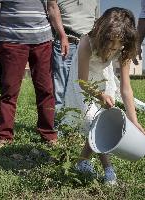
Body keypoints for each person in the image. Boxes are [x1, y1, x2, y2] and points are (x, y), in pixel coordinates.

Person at [67, 7, 145, 185]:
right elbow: (82, 80)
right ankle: (108, 168)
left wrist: (134, 121)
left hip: (103, 77)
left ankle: (82, 161)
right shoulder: (87, 42)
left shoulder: (125, 47)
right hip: (84, 79)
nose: (111, 51)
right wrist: (98, 94)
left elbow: (126, 88)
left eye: (116, 48)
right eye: (109, 45)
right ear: (102, 35)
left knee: (102, 119)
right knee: (94, 119)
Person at [0, 0, 69, 147]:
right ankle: (4, 136)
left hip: (43, 41)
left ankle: (49, 135)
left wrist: (62, 35)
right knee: (9, 91)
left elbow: (53, 7)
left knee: (46, 90)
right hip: (12, 42)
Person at [53, 0, 99, 111]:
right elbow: (52, 12)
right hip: (67, 42)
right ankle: (58, 120)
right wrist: (62, 36)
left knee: (85, 83)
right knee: (60, 86)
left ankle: (81, 117)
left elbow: (97, 21)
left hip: (89, 45)